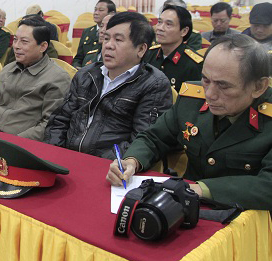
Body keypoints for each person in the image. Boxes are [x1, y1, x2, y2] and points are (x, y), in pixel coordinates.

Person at [107, 34, 272, 211]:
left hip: (246, 215)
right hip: (184, 206)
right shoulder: (191, 99)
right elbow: (154, 137)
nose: (209, 94)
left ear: (258, 87)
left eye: (223, 86)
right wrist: (132, 161)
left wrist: (201, 189)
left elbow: (267, 185)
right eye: (206, 80)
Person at [44, 12, 173, 159]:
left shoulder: (153, 84)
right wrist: (54, 155)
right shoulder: (87, 74)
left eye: (118, 40)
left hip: (109, 166)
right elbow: (59, 120)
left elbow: (142, 141)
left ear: (141, 49)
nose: (108, 45)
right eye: (106, 38)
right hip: (66, 159)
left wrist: (98, 164)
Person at [0, 16, 71, 141]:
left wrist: (13, 142)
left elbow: (49, 124)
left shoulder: (57, 78)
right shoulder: (8, 70)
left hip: (23, 143)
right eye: (15, 40)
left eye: (24, 42)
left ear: (43, 46)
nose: (16, 46)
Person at [145, 5, 203, 92]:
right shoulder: (149, 54)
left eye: (168, 24)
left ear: (184, 31)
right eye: (159, 22)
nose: (160, 28)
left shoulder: (193, 65)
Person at [72, 0, 116, 68]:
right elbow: (78, 58)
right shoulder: (87, 31)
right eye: (95, 10)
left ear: (111, 13)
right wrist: (77, 68)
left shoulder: (114, 32)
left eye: (101, 10)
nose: (96, 13)